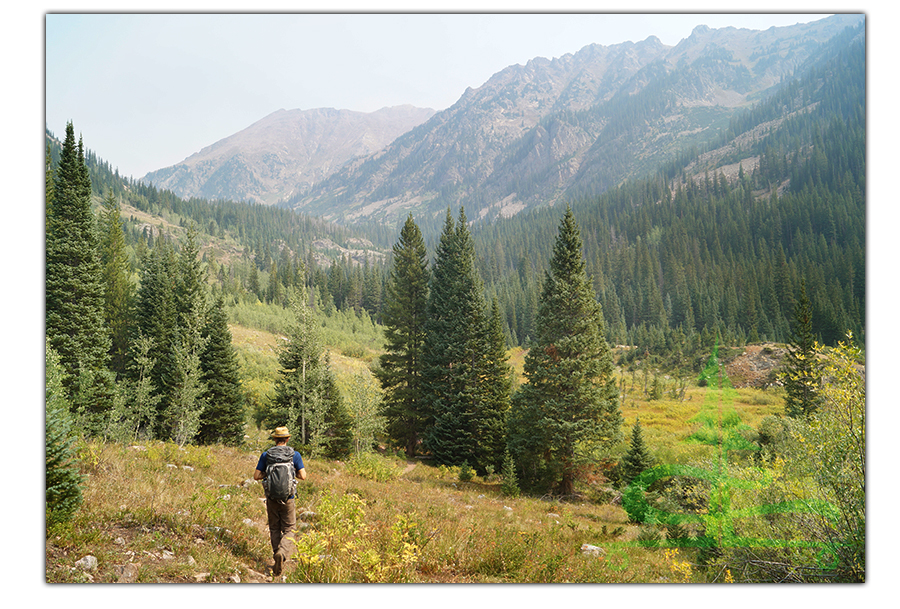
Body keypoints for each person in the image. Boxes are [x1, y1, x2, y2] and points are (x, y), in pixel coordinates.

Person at [254, 426, 307, 577]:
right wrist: (292, 472)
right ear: (288, 439)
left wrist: (268, 473)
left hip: (271, 498)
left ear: (274, 439)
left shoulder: (266, 455)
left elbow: (256, 476)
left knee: (274, 528)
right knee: (290, 528)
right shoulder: (294, 455)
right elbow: (303, 476)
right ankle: (282, 554)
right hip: (288, 498)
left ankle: (277, 554)